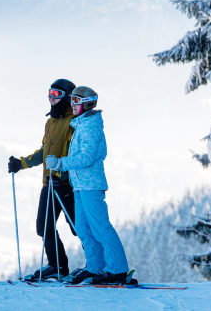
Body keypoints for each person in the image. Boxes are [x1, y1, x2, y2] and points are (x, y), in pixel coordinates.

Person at [45, 86, 129, 285]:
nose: (72, 104)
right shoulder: (81, 124)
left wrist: (61, 163)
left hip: (91, 184)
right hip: (79, 185)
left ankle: (117, 270)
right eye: (71, 100)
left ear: (87, 103)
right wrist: (60, 170)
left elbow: (87, 157)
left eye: (76, 101)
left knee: (100, 227)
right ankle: (95, 267)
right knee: (83, 228)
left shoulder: (91, 125)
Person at [7, 78, 77, 281]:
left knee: (78, 228)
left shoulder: (74, 122)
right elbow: (44, 152)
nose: (51, 98)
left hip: (67, 185)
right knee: (43, 227)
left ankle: (96, 266)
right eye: (49, 93)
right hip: (49, 184)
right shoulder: (50, 122)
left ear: (68, 97)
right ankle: (57, 266)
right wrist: (21, 163)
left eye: (56, 94)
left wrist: (63, 175)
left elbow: (76, 155)